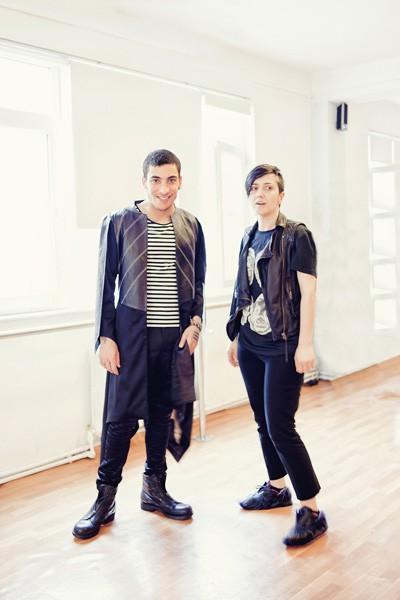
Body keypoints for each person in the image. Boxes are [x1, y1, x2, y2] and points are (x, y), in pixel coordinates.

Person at [73, 149, 206, 540]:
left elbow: (198, 281)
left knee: (162, 414)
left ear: (180, 181)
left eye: (171, 179)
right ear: (144, 182)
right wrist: (105, 337)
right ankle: (104, 499)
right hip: (131, 336)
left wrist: (195, 325)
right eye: (156, 180)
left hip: (173, 338)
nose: (164, 189)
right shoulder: (120, 222)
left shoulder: (191, 225)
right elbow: (105, 283)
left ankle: (154, 490)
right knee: (120, 419)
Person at [226, 164, 327, 547]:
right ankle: (276, 488)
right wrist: (236, 335)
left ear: (281, 196)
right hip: (251, 343)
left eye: (268, 187)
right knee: (262, 420)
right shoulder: (248, 236)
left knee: (281, 426)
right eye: (255, 187)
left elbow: (308, 292)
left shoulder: (297, 235)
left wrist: (306, 343)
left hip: (284, 343)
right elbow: (243, 289)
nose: (261, 193)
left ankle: (312, 510)